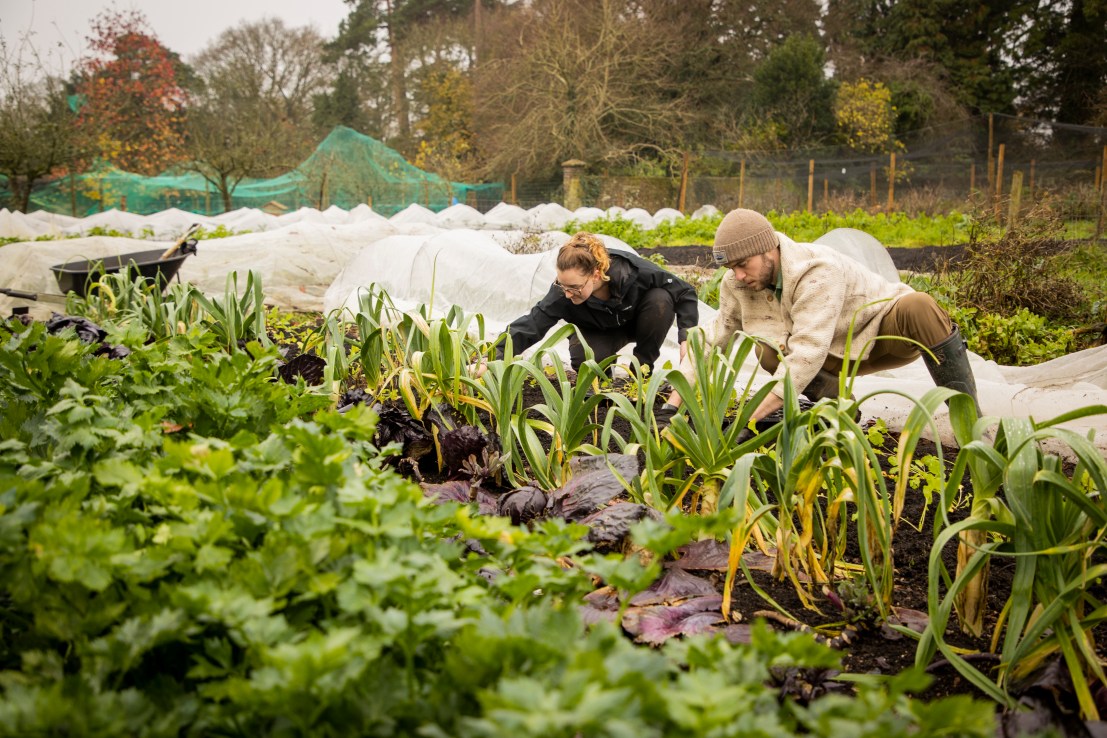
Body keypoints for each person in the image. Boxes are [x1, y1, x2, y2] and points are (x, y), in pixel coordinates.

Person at [656, 208, 979, 427]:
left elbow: (807, 352)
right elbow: (712, 339)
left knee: (919, 305)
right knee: (765, 350)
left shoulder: (816, 271)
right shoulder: (737, 284)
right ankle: (843, 413)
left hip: (878, 335)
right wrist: (673, 405)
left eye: (743, 265)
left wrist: (748, 420)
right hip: (827, 358)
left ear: (769, 250)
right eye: (731, 268)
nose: (738, 276)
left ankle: (970, 423)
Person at [495, 231, 699, 373]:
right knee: (586, 358)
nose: (567, 294)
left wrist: (686, 339)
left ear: (595, 274)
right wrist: (495, 356)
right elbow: (533, 323)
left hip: (638, 322)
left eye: (574, 288)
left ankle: (641, 372)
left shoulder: (633, 272)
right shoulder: (563, 290)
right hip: (598, 331)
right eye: (563, 286)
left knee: (660, 300)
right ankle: (602, 383)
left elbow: (684, 292)